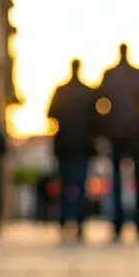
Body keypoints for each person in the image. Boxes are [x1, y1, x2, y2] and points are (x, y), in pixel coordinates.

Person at [96, 43, 139, 243]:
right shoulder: (137, 74)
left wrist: (105, 125)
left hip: (117, 132)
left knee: (117, 182)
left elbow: (99, 103)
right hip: (135, 130)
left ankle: (118, 225)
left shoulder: (110, 75)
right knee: (138, 181)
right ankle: (138, 224)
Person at [47, 58, 99, 242]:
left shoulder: (62, 91)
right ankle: (79, 221)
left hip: (65, 144)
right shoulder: (88, 92)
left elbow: (50, 113)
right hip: (82, 145)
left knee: (65, 184)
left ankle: (64, 220)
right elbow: (97, 118)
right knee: (80, 185)